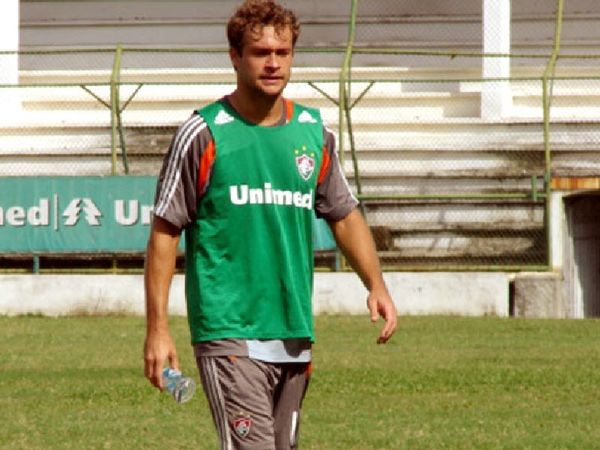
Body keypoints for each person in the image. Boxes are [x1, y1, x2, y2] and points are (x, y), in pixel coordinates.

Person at [143, 0, 397, 448]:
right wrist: (158, 329)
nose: (273, 63)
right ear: (235, 56)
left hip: (294, 332)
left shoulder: (313, 132)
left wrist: (376, 284)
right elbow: (165, 232)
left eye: (283, 52)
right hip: (229, 332)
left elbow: (343, 214)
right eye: (261, 52)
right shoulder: (204, 133)